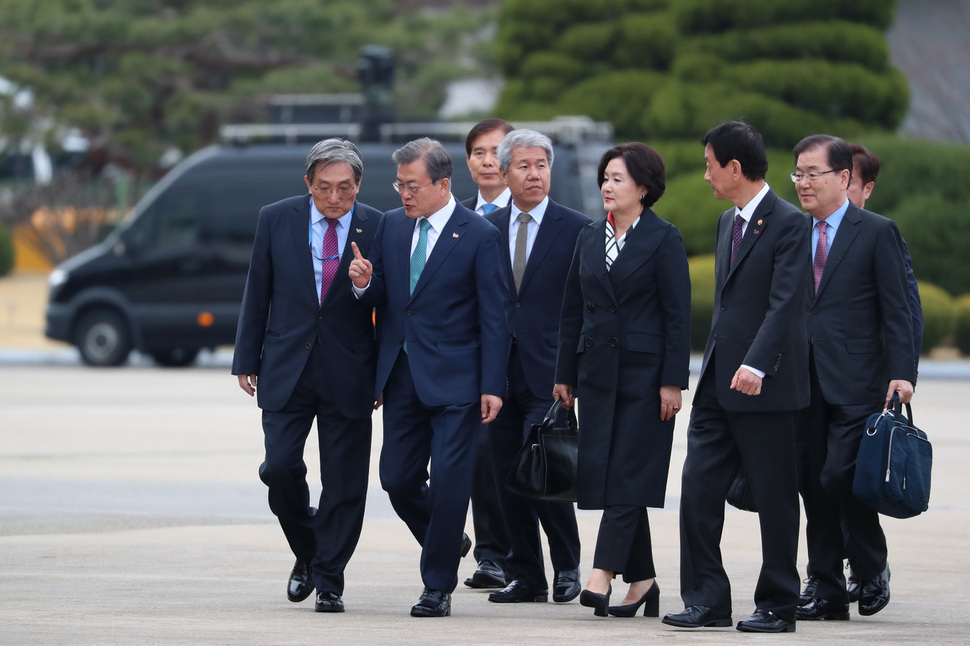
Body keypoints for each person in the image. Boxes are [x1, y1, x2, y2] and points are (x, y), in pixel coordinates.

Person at [348, 138, 510, 618]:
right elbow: (387, 297)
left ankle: (436, 586)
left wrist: (492, 385)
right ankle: (447, 540)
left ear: (443, 184)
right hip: (400, 375)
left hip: (458, 380)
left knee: (449, 485)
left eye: (412, 185)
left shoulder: (478, 234)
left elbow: (495, 316)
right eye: (399, 184)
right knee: (396, 478)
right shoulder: (393, 227)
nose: (403, 194)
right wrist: (362, 283)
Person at [662, 121, 810, 633]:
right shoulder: (729, 222)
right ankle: (707, 599)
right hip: (718, 387)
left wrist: (756, 362)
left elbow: (787, 302)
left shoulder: (791, 223)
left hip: (765, 385)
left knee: (774, 496)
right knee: (698, 489)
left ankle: (778, 603)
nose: (705, 175)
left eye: (709, 165)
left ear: (734, 167)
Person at [231, 139, 380, 613]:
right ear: (307, 184)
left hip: (350, 369)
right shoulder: (276, 218)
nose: (334, 198)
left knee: (344, 483)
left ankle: (330, 579)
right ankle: (308, 551)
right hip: (285, 365)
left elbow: (394, 304)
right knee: (279, 469)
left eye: (345, 188)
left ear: (358, 186)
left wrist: (364, 286)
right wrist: (245, 357)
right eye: (324, 188)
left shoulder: (379, 225)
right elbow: (259, 289)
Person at [554, 142, 691, 618]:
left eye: (617, 178)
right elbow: (571, 310)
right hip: (595, 377)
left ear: (644, 187)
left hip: (647, 379)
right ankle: (645, 582)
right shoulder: (589, 237)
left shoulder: (664, 238)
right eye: (605, 178)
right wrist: (564, 376)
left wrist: (673, 380)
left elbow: (678, 316)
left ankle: (601, 574)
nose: (607, 186)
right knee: (613, 477)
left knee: (629, 475)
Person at [792, 135, 916, 622]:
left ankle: (870, 562)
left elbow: (897, 310)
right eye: (797, 173)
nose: (803, 183)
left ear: (844, 178)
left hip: (860, 379)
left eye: (812, 173)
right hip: (803, 382)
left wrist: (902, 373)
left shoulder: (877, 231)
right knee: (811, 485)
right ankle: (823, 586)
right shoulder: (791, 232)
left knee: (838, 475)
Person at [483, 129, 587, 605]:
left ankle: (567, 565)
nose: (534, 174)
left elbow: (587, 305)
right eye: (523, 166)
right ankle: (526, 574)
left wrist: (575, 370)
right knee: (507, 475)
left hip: (550, 371)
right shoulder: (484, 228)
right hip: (496, 373)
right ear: (504, 173)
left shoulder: (578, 228)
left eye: (541, 165)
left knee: (547, 471)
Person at [460, 118, 515, 590]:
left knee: (531, 457)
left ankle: (546, 560)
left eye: (496, 151)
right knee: (480, 455)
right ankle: (491, 555)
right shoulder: (454, 219)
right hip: (470, 356)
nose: (488, 160)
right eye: (478, 152)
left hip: (528, 358)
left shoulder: (539, 213)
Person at [461, 118, 514, 215]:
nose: (487, 162)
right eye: (479, 153)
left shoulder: (525, 213)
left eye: (497, 153)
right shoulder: (458, 213)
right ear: (468, 162)